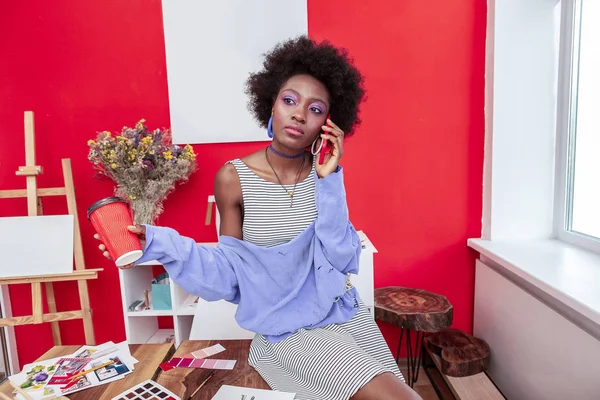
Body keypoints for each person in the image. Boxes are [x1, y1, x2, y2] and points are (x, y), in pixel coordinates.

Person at [95, 36, 421, 400]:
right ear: (271, 103)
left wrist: (329, 182)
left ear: (328, 124)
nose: (299, 114)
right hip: (291, 333)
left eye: (315, 109)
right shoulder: (233, 178)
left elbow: (342, 257)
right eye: (290, 100)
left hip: (345, 316)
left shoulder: (325, 175)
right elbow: (229, 273)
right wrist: (157, 243)